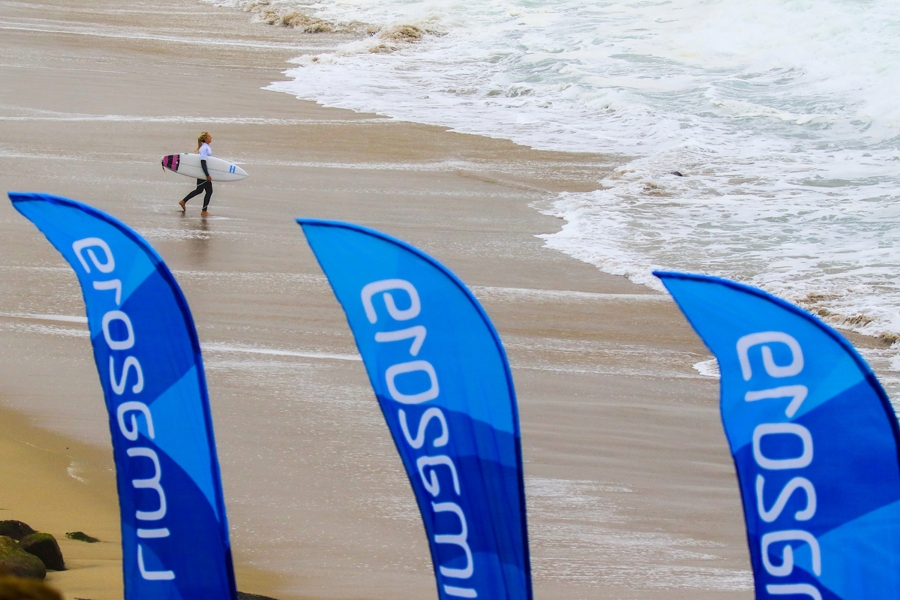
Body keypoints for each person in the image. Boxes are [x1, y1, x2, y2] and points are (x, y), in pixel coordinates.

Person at [179, 132, 214, 217]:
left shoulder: (205, 147)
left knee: (199, 190)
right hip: (203, 173)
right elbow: (203, 162)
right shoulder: (204, 148)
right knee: (209, 191)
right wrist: (207, 174)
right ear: (205, 139)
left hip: (201, 173)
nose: (211, 137)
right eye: (209, 136)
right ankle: (204, 211)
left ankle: (183, 201)